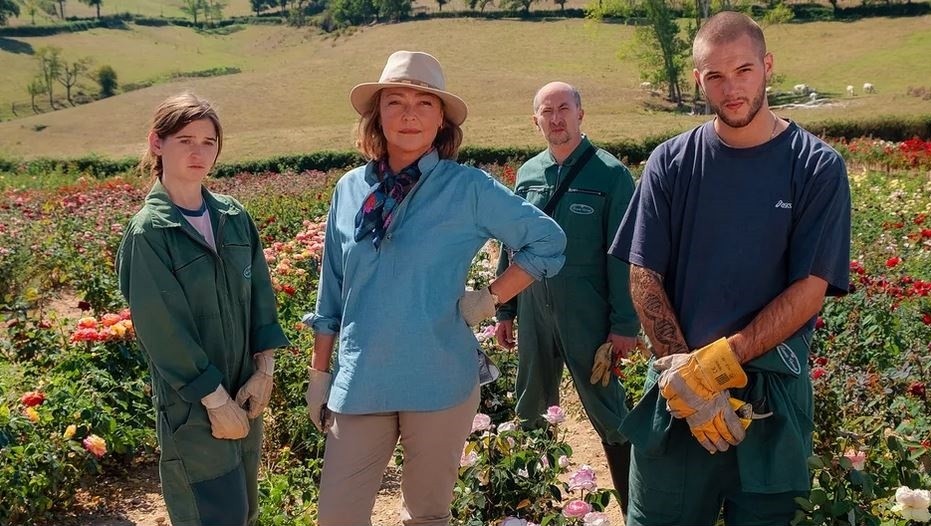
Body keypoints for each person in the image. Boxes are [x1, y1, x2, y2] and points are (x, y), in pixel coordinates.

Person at [303, 50, 567, 526]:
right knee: (336, 516)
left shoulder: (466, 188)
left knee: (426, 516)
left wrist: (489, 299)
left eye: (424, 103)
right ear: (376, 115)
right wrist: (319, 375)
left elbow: (548, 240)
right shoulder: (348, 190)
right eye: (395, 102)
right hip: (362, 379)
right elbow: (331, 294)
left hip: (440, 378)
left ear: (441, 119)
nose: (408, 114)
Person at [609, 11, 851, 526]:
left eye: (743, 70)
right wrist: (686, 379)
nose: (731, 88)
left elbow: (810, 290)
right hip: (677, 399)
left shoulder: (815, 166)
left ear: (767, 66)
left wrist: (713, 368)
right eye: (715, 76)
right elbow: (643, 275)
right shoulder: (670, 162)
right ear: (699, 81)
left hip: (770, 398)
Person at [117, 93, 290, 526]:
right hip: (193, 405)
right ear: (157, 144)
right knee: (212, 513)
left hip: (244, 390)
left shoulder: (233, 217)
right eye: (185, 140)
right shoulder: (150, 233)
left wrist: (263, 370)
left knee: (244, 509)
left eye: (209, 142)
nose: (199, 152)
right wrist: (214, 400)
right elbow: (163, 330)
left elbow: (261, 297)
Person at [494, 81, 640, 513]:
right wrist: (505, 309)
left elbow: (624, 256)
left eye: (563, 109)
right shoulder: (528, 174)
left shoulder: (610, 175)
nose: (556, 118)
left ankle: (638, 509)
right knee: (530, 406)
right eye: (546, 111)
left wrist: (623, 325)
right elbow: (511, 243)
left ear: (581, 113)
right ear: (535, 119)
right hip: (535, 308)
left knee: (610, 412)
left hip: (588, 311)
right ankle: (533, 508)